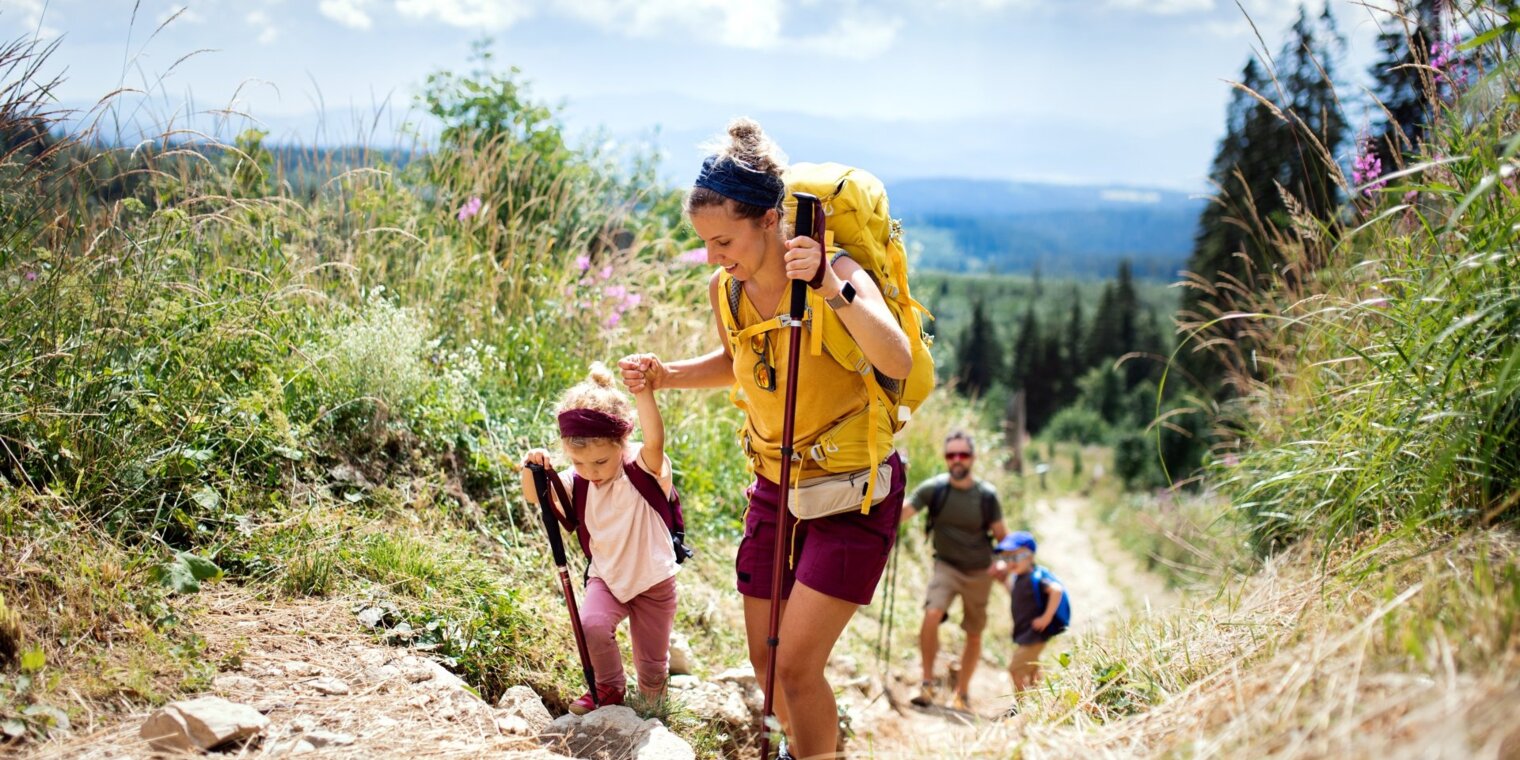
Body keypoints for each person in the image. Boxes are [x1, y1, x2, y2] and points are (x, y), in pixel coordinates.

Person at [619, 117, 911, 759]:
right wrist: (667, 376)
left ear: (772, 219)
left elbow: (896, 359)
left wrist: (828, 288)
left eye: (724, 239)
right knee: (767, 665)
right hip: (775, 486)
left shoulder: (836, 269)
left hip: (850, 492)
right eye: (705, 243)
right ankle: (806, 746)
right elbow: (737, 362)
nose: (714, 256)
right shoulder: (728, 288)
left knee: (798, 668)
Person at [519, 363, 678, 715]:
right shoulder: (578, 480)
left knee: (652, 663)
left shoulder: (641, 466)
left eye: (601, 462)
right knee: (592, 624)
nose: (591, 471)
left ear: (622, 444)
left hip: (653, 580)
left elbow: (655, 439)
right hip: (607, 576)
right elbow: (535, 496)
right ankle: (609, 689)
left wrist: (643, 392)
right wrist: (530, 467)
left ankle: (654, 707)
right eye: (578, 462)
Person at [899, 431, 1008, 711]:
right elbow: (902, 513)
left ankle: (962, 693)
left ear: (973, 458)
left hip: (980, 572)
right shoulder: (934, 489)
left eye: (963, 455)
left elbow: (1002, 538)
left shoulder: (986, 496)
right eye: (951, 455)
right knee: (932, 613)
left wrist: (1005, 564)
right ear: (945, 458)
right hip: (946, 566)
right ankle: (927, 684)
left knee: (973, 633)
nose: (957, 460)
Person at [991, 531, 1066, 693]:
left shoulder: (1036, 577)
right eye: (1007, 558)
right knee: (1033, 668)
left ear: (1030, 556)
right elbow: (1017, 597)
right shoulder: (1019, 578)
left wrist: (1046, 617)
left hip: (1036, 633)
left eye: (1016, 558)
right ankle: (1039, 697)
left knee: (1015, 669)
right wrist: (1004, 582)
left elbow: (1056, 591)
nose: (1011, 563)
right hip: (1026, 632)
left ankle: (1022, 704)